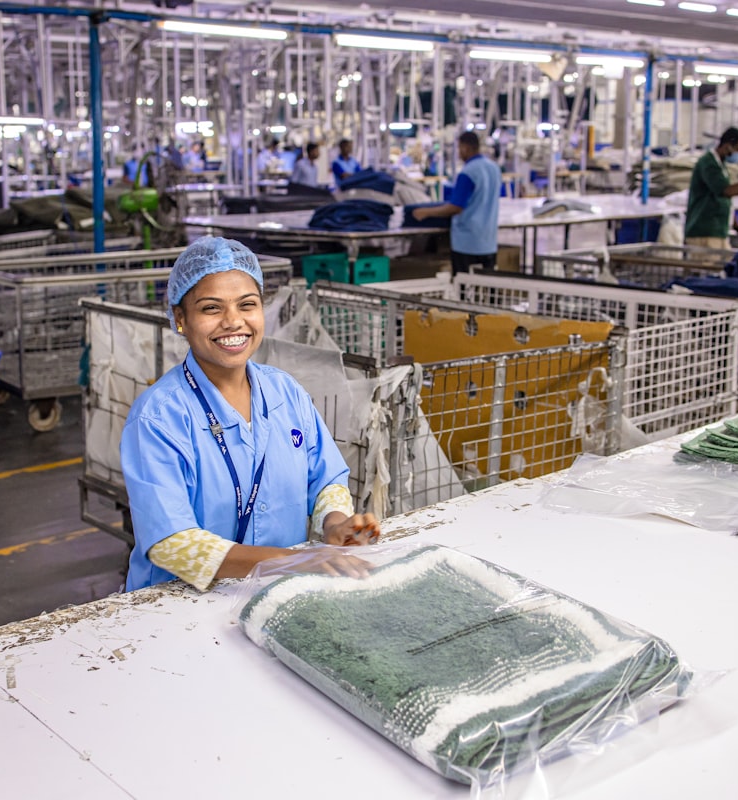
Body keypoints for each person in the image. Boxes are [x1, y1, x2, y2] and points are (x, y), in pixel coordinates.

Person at [120, 236, 381, 591]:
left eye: (247, 305)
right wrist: (296, 562)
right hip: (176, 607)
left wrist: (334, 523)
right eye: (211, 308)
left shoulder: (285, 392)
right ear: (180, 318)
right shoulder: (158, 418)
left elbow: (325, 479)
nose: (233, 322)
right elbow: (173, 544)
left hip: (275, 590)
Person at [410, 131, 502, 275]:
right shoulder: (494, 169)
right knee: (487, 290)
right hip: (489, 241)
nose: (458, 153)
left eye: (459, 148)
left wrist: (426, 212)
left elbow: (456, 207)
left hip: (467, 243)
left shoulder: (468, 172)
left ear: (465, 148)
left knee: (463, 288)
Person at [684, 126, 738, 250]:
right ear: (727, 146)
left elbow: (725, 201)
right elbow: (726, 191)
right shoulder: (708, 164)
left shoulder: (721, 166)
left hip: (718, 232)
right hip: (705, 232)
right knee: (707, 268)